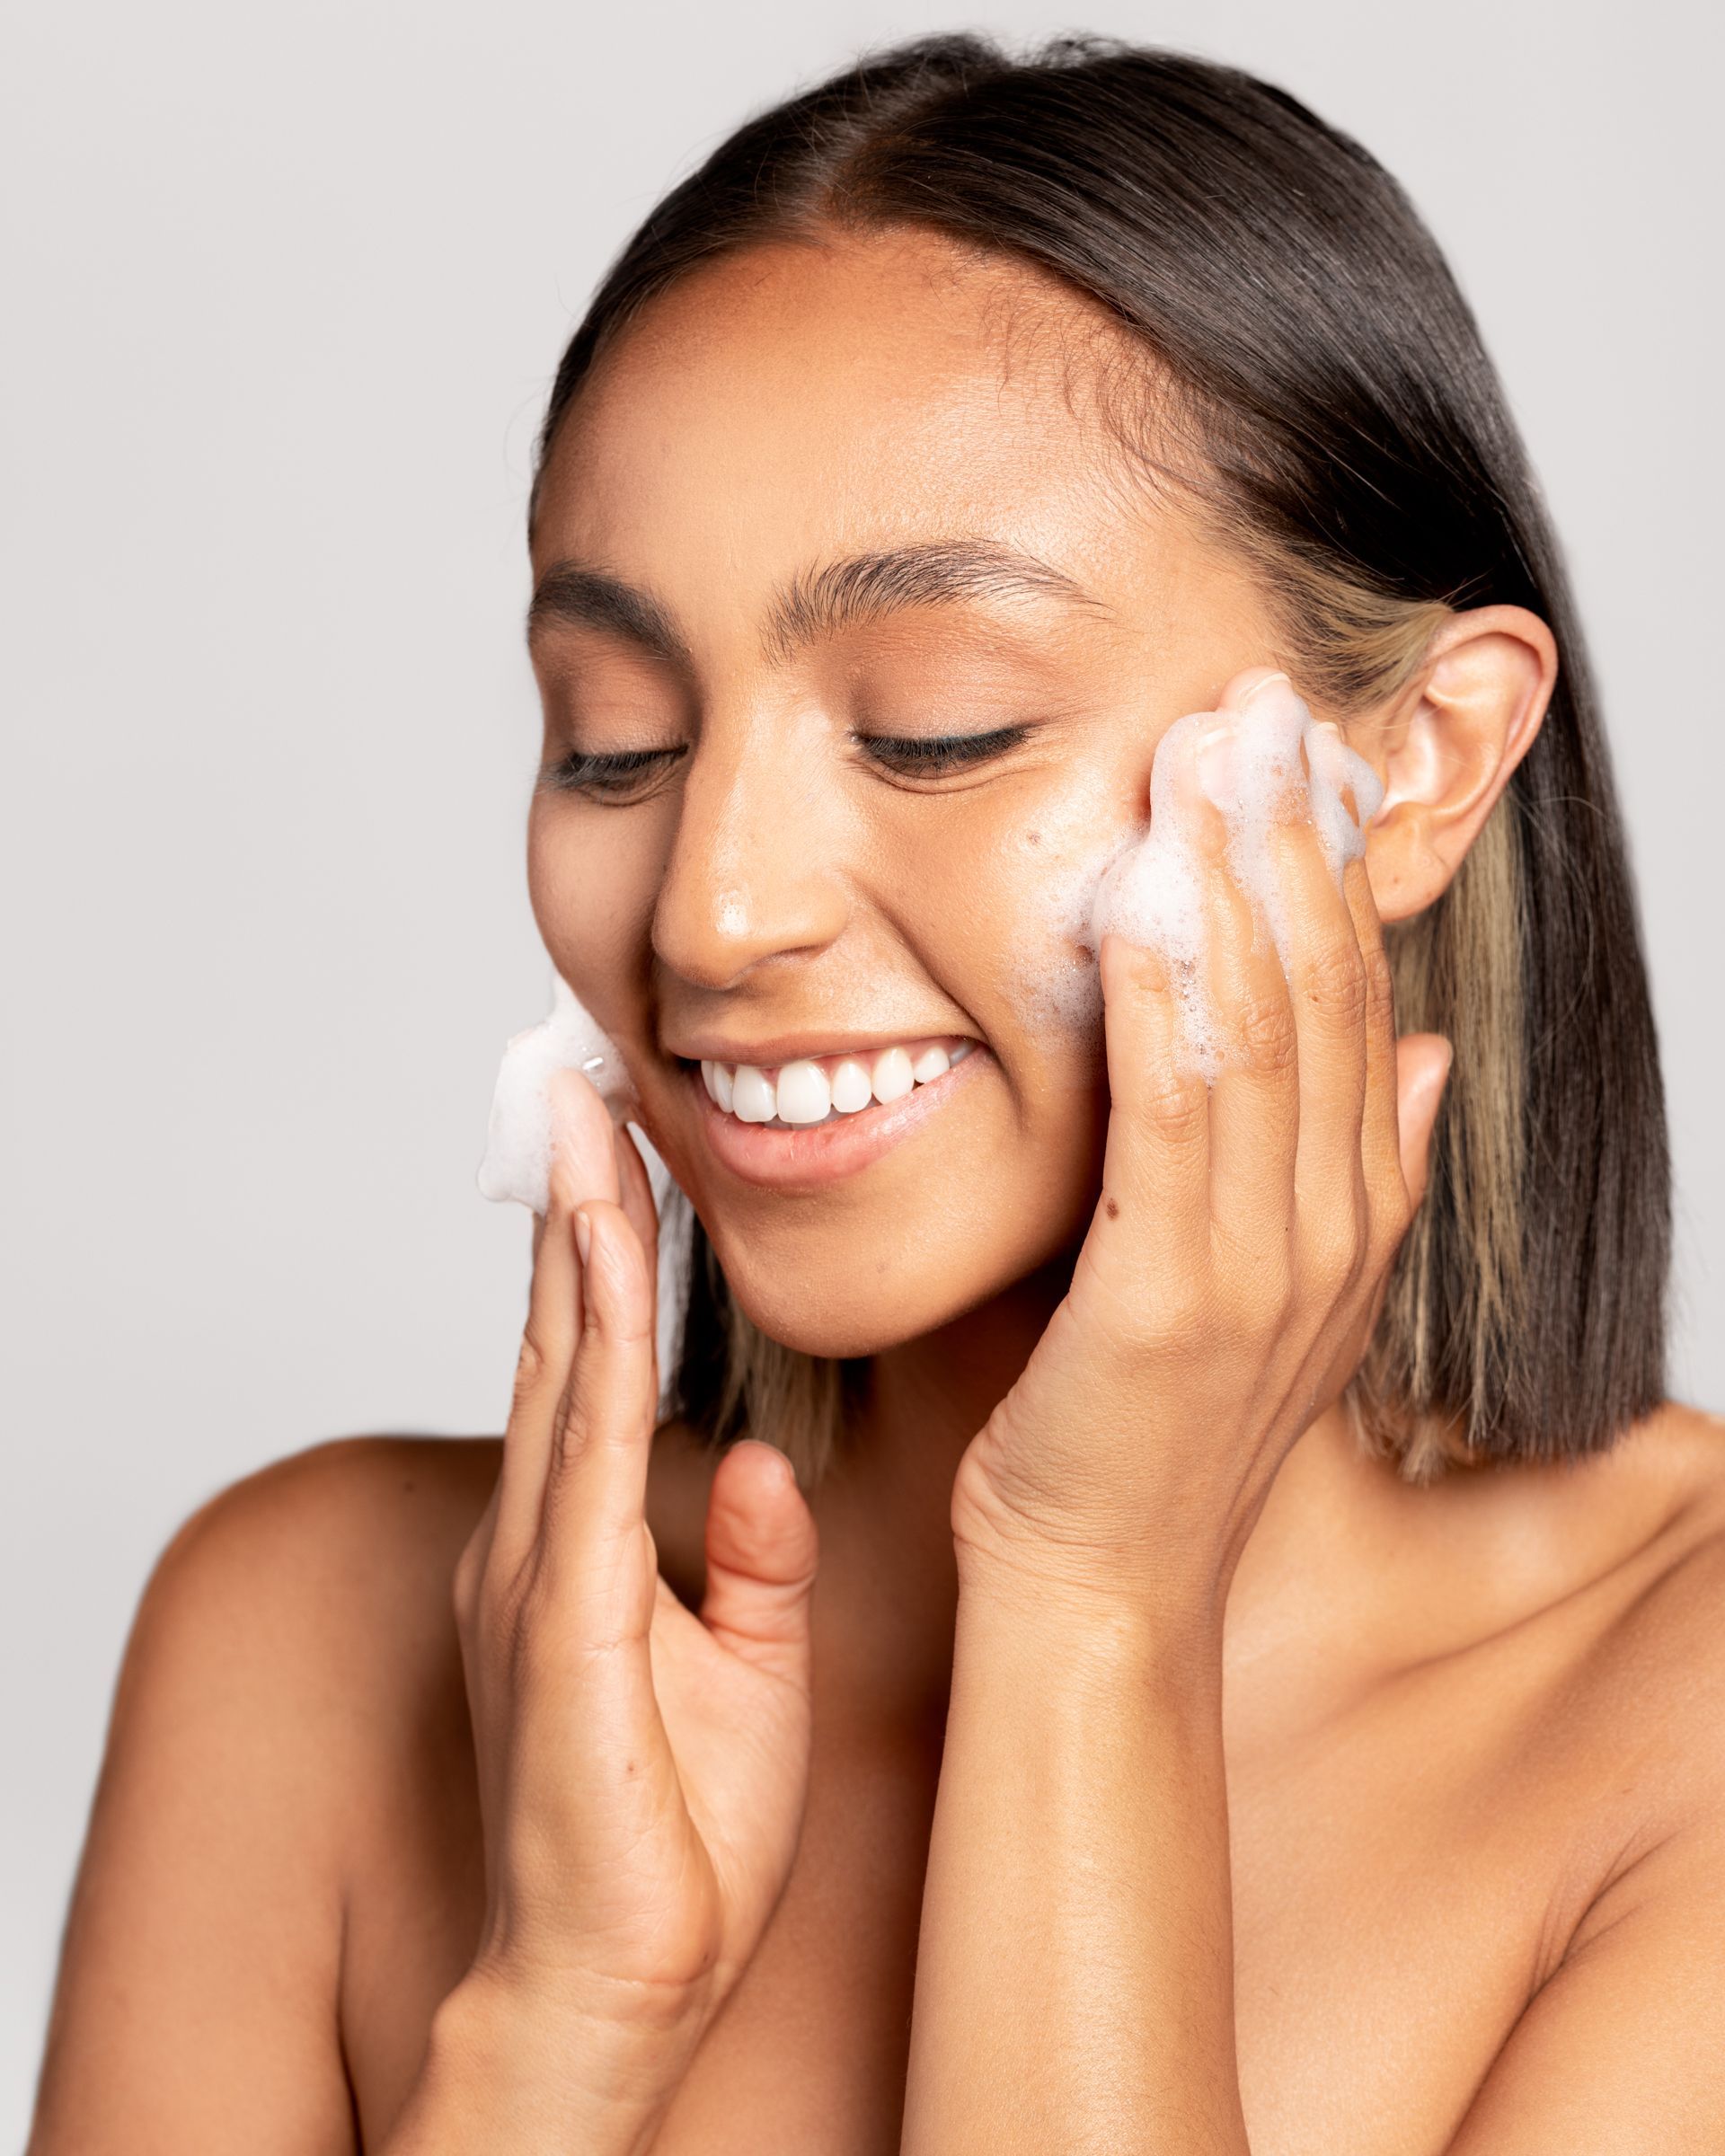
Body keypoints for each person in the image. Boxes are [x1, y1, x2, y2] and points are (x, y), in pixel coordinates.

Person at [28, 33, 1725, 2154]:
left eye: (936, 728)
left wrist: (1093, 1601)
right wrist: (560, 2025)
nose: (713, 912)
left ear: (1420, 763)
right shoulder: (300, 1647)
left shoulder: (1687, 1728)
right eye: (617, 739)